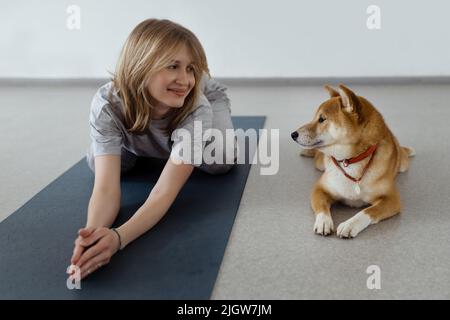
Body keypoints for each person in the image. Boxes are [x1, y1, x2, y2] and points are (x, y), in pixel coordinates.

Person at [69, 19, 235, 280]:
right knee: (102, 165)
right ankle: (156, 146)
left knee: (219, 161)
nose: (185, 79)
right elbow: (105, 188)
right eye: (173, 66)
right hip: (140, 115)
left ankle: (169, 146)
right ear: (141, 65)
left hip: (206, 101)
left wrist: (118, 238)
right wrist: (92, 236)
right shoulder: (106, 103)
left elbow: (164, 191)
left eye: (191, 68)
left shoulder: (196, 104)